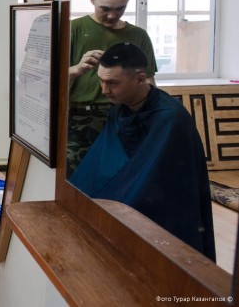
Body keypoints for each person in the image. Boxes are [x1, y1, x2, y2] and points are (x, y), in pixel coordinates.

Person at [69, 43, 216, 261]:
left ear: (140, 79)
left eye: (112, 83)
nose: (104, 90)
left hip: (162, 209)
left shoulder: (171, 119)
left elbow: (154, 182)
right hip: (129, 189)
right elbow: (101, 163)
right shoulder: (120, 107)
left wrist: (116, 206)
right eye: (101, 80)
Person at [67, 0, 157, 175]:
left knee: (122, 177)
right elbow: (46, 80)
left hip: (126, 116)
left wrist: (152, 117)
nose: (112, 15)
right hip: (80, 117)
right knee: (76, 177)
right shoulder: (73, 29)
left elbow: (149, 82)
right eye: (105, 9)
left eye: (120, 9)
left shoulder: (138, 36)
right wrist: (76, 69)